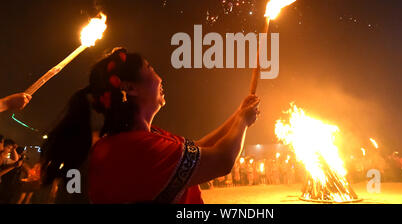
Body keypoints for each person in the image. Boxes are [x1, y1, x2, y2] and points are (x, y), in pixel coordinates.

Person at [41, 47, 260, 204]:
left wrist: (239, 114)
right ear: (130, 88)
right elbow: (222, 160)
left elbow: (200, 147)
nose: (160, 77)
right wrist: (243, 121)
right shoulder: (135, 149)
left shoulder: (141, 139)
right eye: (151, 69)